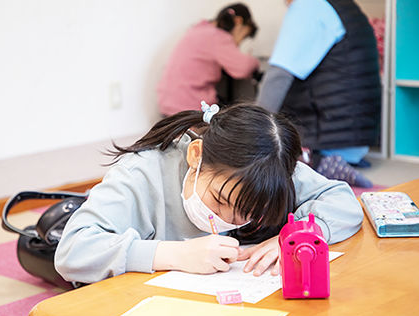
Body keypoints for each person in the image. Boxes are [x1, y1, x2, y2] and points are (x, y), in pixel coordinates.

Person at [55, 101, 363, 284]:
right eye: (220, 199)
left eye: (246, 213)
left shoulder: (270, 170)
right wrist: (173, 254)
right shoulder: (142, 173)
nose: (223, 220)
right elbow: (73, 250)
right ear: (196, 156)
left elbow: (344, 203)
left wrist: (293, 236)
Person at [256, 0, 381, 188]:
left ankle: (317, 163)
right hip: (354, 139)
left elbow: (278, 77)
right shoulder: (344, 7)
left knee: (266, 148)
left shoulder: (308, 6)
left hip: (325, 140)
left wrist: (252, 131)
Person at [157, 3, 260, 116]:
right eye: (243, 36)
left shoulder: (199, 30)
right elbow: (242, 68)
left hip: (169, 104)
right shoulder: (218, 36)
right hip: (189, 108)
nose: (239, 43)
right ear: (238, 21)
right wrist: (255, 61)